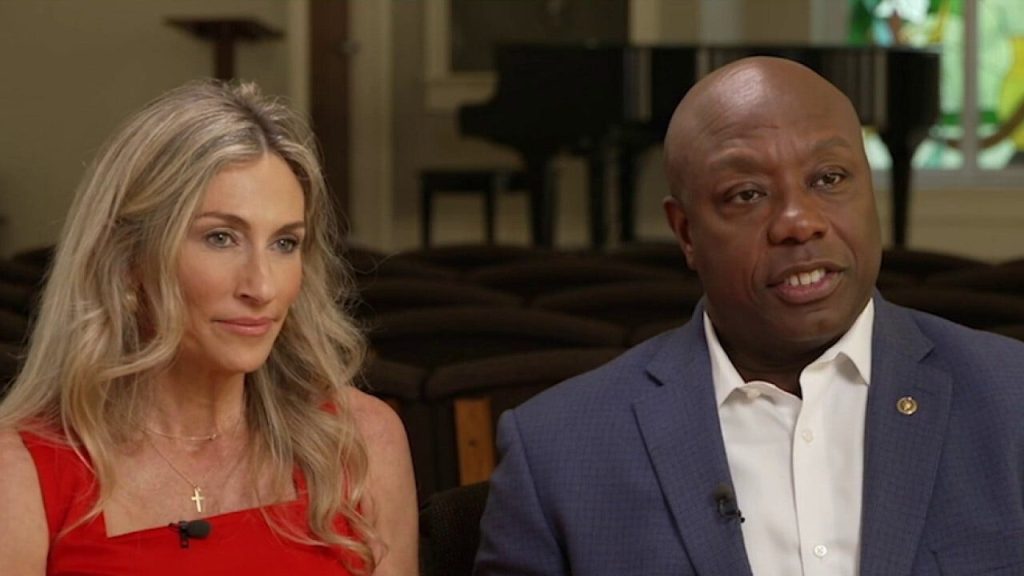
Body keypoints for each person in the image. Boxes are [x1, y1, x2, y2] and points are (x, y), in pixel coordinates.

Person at [474, 56, 1024, 575]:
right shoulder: (556, 451)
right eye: (747, 194)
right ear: (686, 233)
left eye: (829, 179)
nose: (798, 222)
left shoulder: (1011, 398)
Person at [0, 80, 417, 575]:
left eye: (285, 243)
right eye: (221, 238)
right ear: (128, 260)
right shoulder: (20, 470)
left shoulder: (361, 440)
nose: (262, 286)